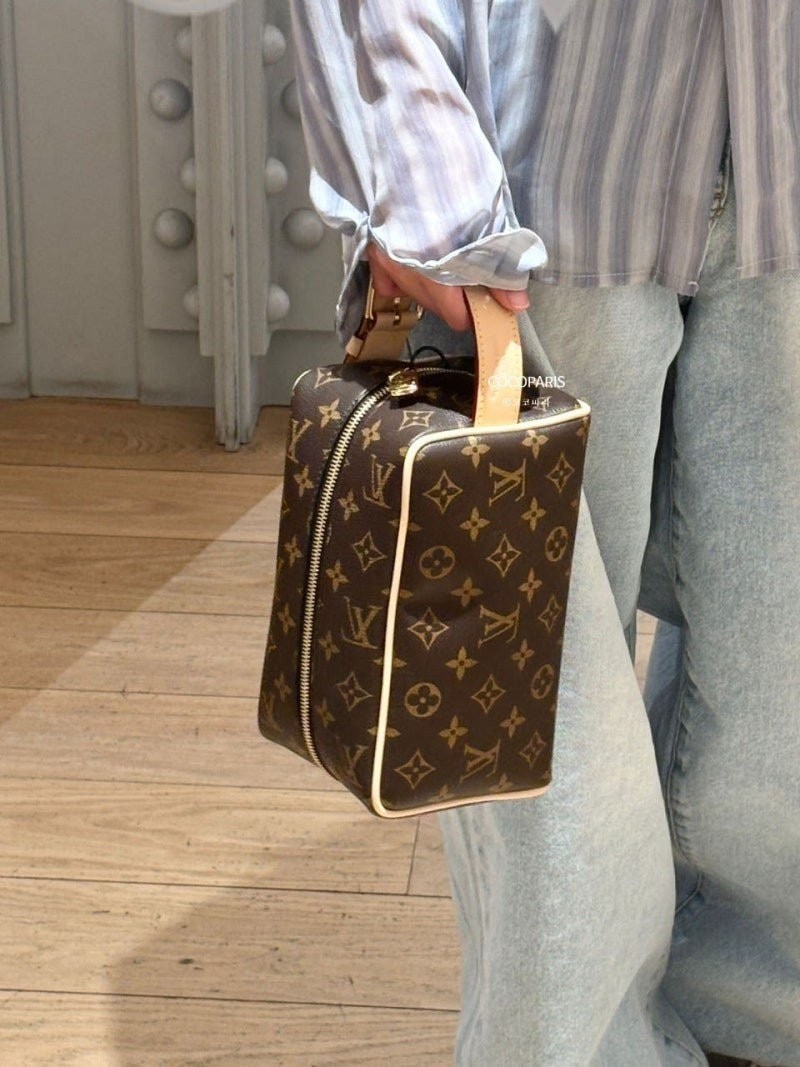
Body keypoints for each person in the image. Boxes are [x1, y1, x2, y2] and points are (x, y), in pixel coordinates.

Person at [136, 1, 800, 1062]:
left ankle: (750, 1028)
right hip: (547, 164)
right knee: (548, 753)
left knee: (779, 703)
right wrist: (406, 138)